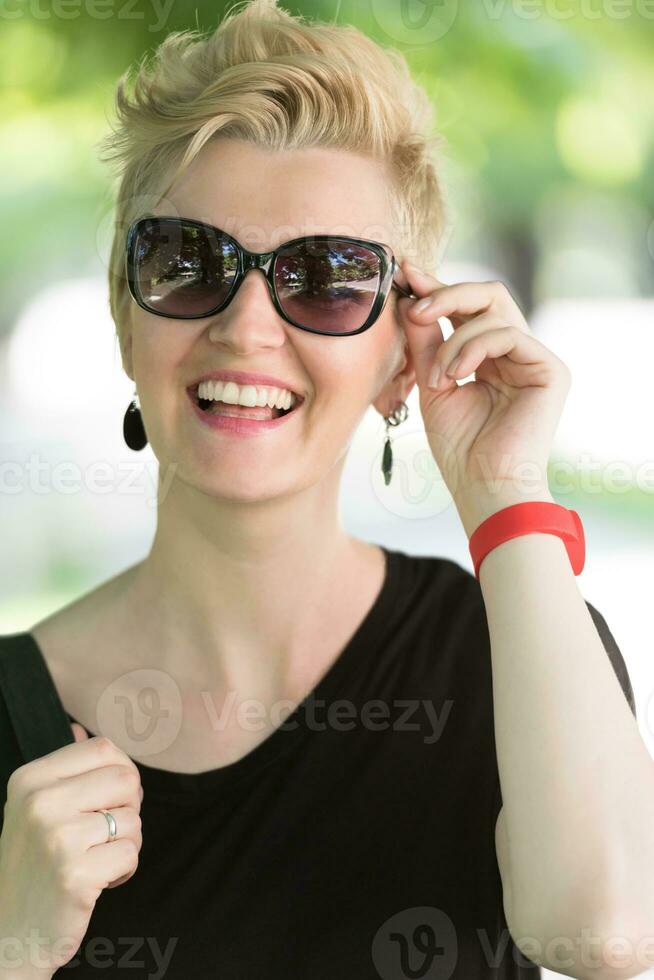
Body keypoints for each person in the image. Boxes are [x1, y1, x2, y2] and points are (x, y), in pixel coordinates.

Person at [0, 1, 641, 977]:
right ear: (128, 322)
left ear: (399, 356)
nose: (249, 327)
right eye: (188, 262)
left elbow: (606, 932)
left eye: (326, 278)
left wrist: (504, 491)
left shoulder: (509, 649)